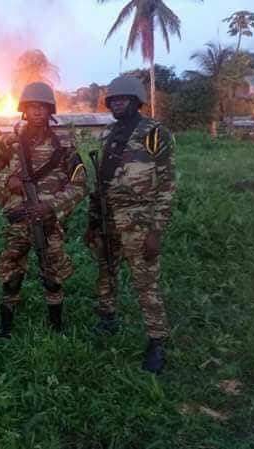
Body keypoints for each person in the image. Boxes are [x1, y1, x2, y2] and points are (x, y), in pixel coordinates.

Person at [0, 81, 87, 337]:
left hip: (49, 223)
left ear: (51, 110)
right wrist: (7, 181)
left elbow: (80, 185)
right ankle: (6, 329)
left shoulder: (64, 145)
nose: (38, 111)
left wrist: (51, 206)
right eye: (32, 106)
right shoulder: (9, 143)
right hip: (18, 223)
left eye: (43, 106)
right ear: (24, 110)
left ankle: (56, 328)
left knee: (53, 276)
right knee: (11, 276)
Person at [85, 76, 176, 373]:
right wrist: (92, 222)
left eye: (123, 99)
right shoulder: (107, 134)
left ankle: (157, 341)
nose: (117, 103)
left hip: (139, 221)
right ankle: (107, 318)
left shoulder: (154, 133)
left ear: (137, 101)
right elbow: (100, 183)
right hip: (107, 217)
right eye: (113, 100)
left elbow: (167, 185)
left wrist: (155, 231)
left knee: (145, 281)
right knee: (106, 271)